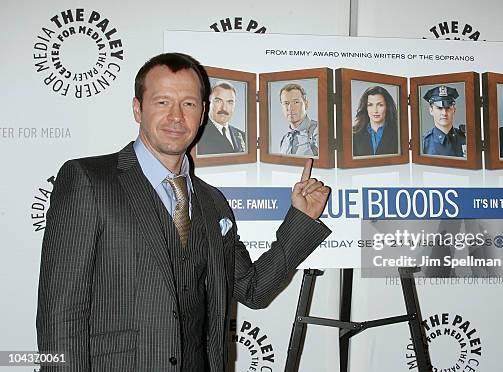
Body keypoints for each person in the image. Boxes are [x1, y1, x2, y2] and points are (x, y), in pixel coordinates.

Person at [36, 53, 331, 372]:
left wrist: (302, 219)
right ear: (138, 108)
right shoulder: (88, 180)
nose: (176, 117)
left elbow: (254, 289)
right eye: (162, 102)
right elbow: (59, 315)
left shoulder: (212, 202)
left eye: (189, 104)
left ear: (203, 113)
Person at [197, 80, 247, 155]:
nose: (224, 108)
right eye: (218, 101)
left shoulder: (242, 136)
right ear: (208, 103)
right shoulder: (198, 135)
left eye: (230, 102)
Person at [352, 85, 399, 157]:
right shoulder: (354, 133)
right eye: (370, 105)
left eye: (380, 105)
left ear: (387, 107)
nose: (375, 110)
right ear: (366, 108)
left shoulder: (398, 133)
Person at [421, 85, 466, 158]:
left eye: (448, 108)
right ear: (431, 110)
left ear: (454, 110)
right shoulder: (423, 143)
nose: (444, 113)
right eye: (439, 108)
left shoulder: (466, 138)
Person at [278, 83, 319, 156]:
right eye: (286, 103)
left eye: (296, 102)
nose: (290, 108)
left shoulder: (318, 132)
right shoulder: (285, 140)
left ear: (306, 104)